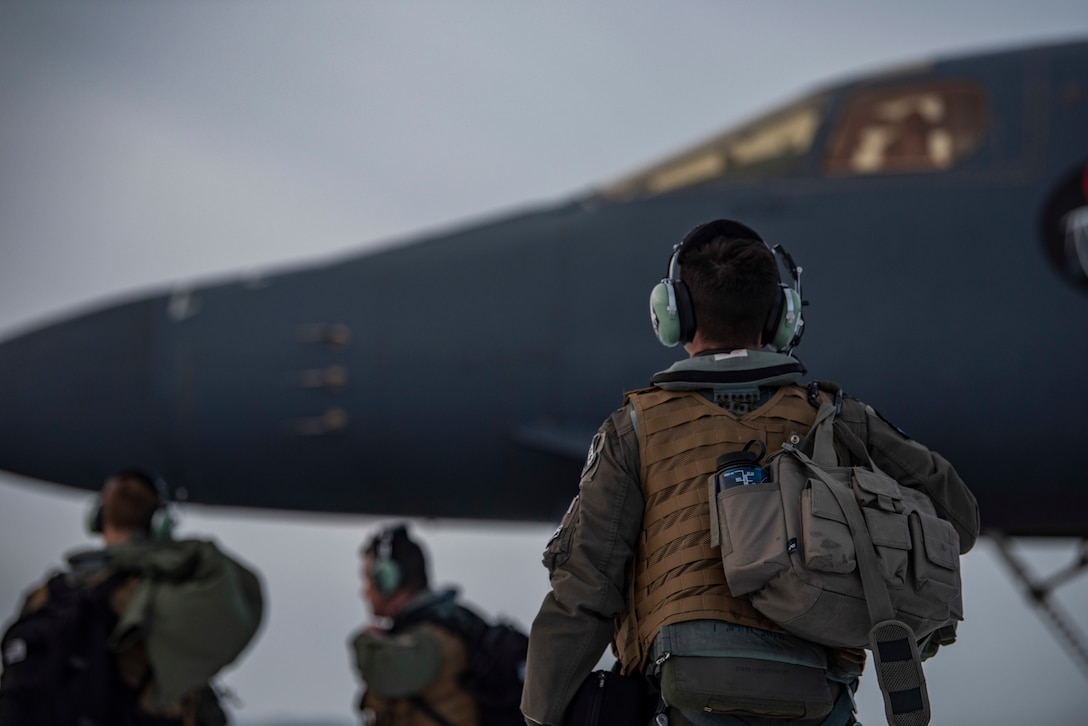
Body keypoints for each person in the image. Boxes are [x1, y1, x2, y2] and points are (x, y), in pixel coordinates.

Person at [520, 219, 980, 726]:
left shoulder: (634, 428)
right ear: (783, 317)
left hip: (685, 705)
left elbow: (584, 592)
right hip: (821, 707)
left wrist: (540, 716)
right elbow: (959, 518)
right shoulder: (837, 417)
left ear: (675, 316)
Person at [0, 468, 265, 726]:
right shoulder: (155, 595)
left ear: (98, 519)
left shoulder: (47, 594)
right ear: (159, 524)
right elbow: (244, 593)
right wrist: (164, 552)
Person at [349, 523, 480, 726]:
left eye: (369, 580)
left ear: (388, 581)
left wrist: (367, 640)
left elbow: (384, 672)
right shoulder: (440, 627)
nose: (364, 592)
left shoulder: (431, 638)